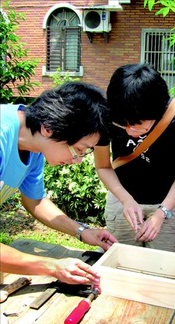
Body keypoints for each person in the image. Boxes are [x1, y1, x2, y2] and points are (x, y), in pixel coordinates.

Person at [0, 81, 118, 287]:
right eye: (80, 149)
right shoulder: (3, 135)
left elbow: (35, 201)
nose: (78, 159)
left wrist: (82, 231)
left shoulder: (35, 144)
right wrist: (52, 266)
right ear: (48, 128)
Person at [94, 63, 175, 251]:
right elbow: (103, 166)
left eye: (137, 124)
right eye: (123, 124)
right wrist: (125, 199)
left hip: (168, 203)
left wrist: (161, 213)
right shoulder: (108, 115)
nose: (130, 130)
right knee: (120, 261)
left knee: (163, 267)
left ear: (158, 111)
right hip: (121, 202)